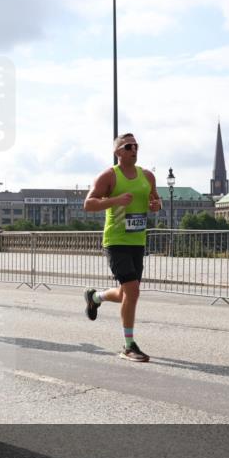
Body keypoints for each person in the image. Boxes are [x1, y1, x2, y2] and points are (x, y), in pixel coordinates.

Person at [82, 133, 162, 362]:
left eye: (136, 146)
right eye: (128, 146)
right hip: (116, 241)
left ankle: (95, 297)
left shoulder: (147, 176)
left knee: (127, 292)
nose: (134, 150)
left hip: (138, 241)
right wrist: (114, 201)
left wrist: (156, 205)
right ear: (118, 152)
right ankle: (128, 345)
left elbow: (155, 201)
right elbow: (88, 204)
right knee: (133, 291)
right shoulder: (109, 176)